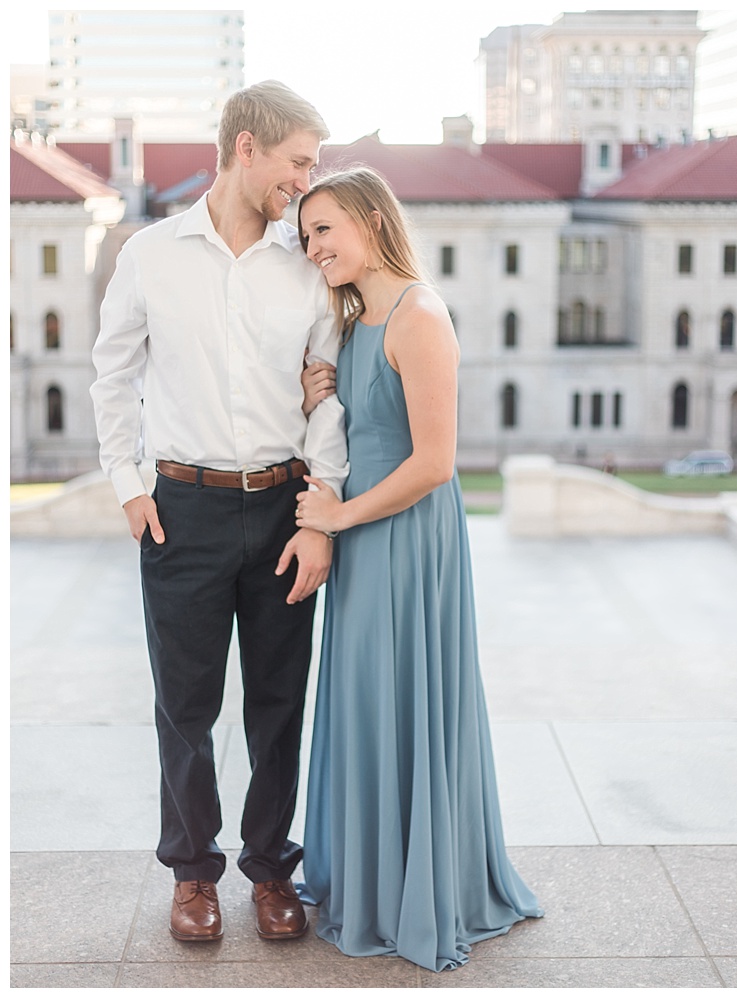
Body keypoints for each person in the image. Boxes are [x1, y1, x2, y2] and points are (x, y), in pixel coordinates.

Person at [90, 80, 345, 943]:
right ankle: (192, 874)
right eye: (298, 162)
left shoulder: (304, 267)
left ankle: (271, 871)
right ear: (247, 148)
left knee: (279, 703)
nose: (306, 181)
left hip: (281, 509)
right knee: (185, 708)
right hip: (182, 509)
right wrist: (128, 484)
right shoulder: (151, 256)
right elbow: (112, 373)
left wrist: (318, 515)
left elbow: (328, 399)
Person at [291, 166, 542, 972]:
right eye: (306, 237)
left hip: (404, 538)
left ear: (370, 217)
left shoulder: (419, 314)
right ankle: (370, 878)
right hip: (365, 536)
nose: (314, 248)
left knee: (402, 696)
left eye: (324, 229)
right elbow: (358, 434)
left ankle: (418, 887)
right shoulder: (356, 320)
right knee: (368, 699)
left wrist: (336, 516)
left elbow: (435, 462)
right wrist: (317, 401)